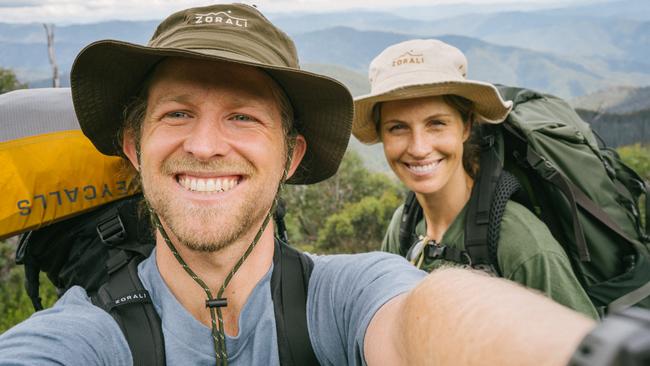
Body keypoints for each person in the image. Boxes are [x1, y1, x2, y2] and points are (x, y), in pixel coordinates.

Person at [0, 4, 595, 365]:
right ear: (134, 148)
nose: (205, 145)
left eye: (243, 116)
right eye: (177, 113)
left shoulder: (343, 296)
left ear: (291, 156)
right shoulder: (86, 335)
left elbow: (427, 311)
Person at [352, 39, 600, 319]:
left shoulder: (519, 243)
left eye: (436, 124)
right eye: (397, 128)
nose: (419, 148)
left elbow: (583, 348)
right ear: (381, 136)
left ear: (466, 126)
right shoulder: (405, 224)